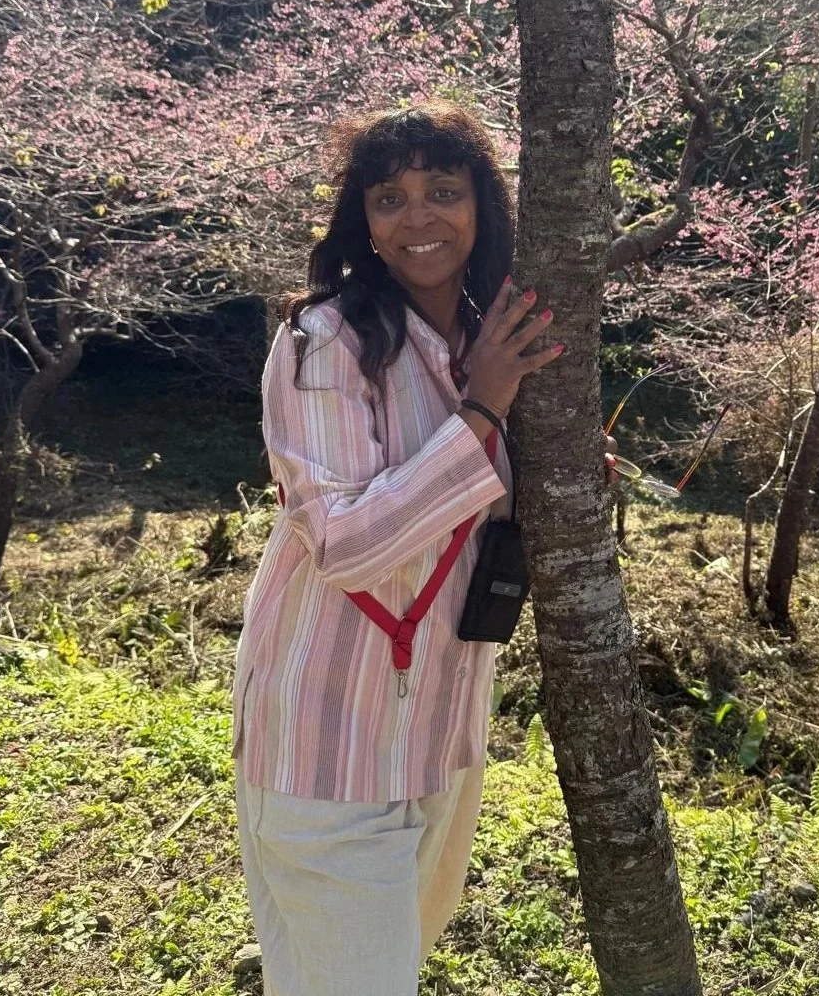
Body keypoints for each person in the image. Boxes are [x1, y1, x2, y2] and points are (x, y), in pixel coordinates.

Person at [231, 100, 566, 995]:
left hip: (440, 736)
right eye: (390, 198)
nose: (418, 218)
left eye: (443, 191)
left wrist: (551, 463)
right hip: (324, 742)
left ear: (481, 206)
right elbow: (343, 544)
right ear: (363, 222)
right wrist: (485, 409)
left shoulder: (488, 339)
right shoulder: (324, 342)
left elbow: (477, 513)